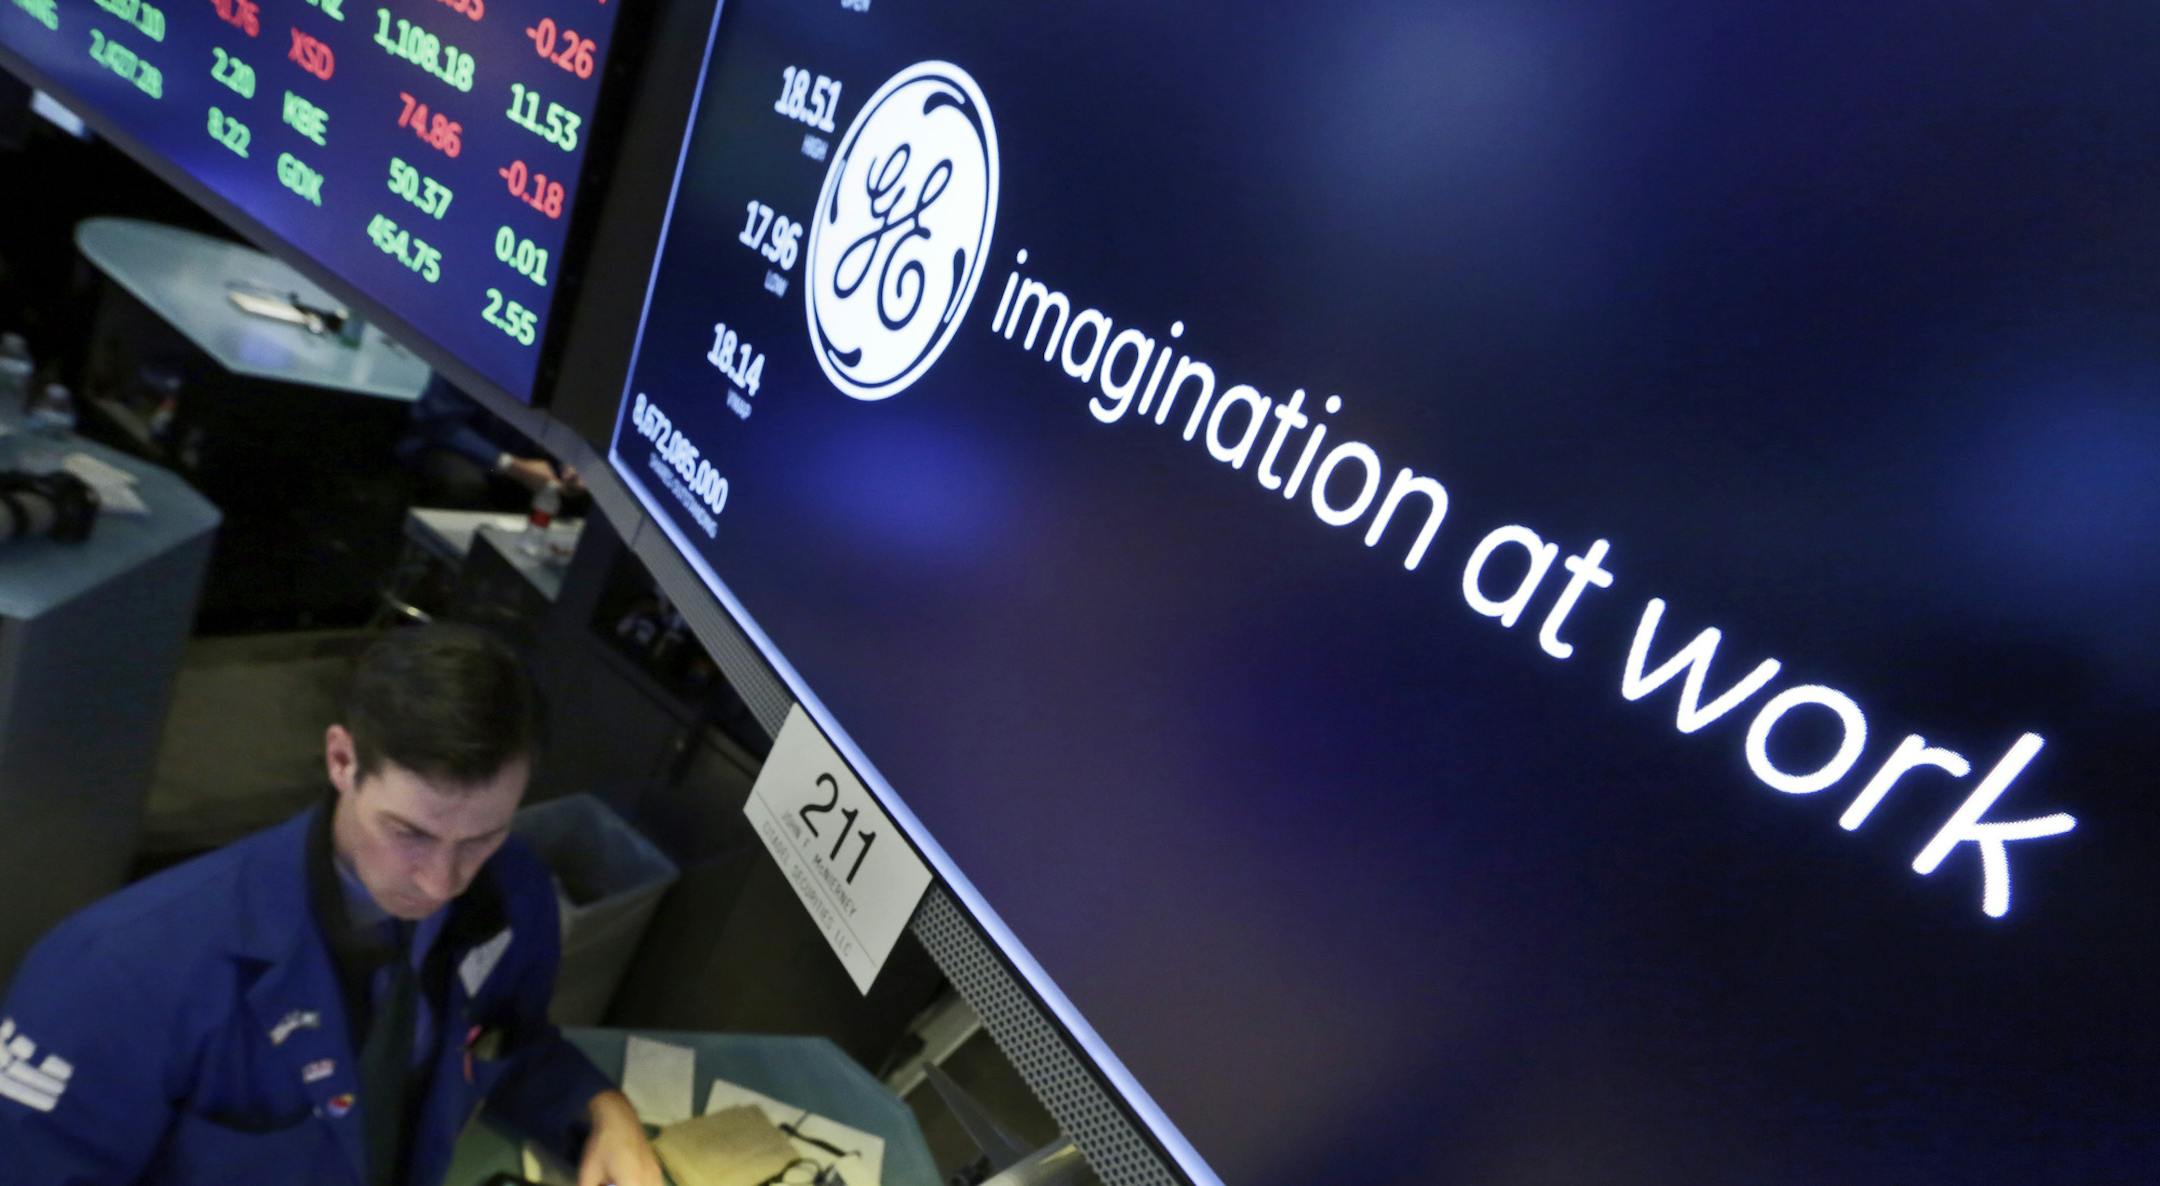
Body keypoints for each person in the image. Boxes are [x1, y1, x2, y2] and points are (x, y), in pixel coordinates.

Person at [0, 625, 664, 1186]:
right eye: (410, 834)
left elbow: (506, 1042)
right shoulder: (113, 973)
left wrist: (603, 1111)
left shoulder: (512, 894)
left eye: (482, 836)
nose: (441, 885)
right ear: (342, 759)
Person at [394, 373, 585, 512]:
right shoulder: (480, 347)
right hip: (452, 449)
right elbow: (438, 423)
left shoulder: (576, 376)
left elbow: (564, 432)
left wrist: (569, 466)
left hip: (524, 463)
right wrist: (515, 467)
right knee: (465, 483)